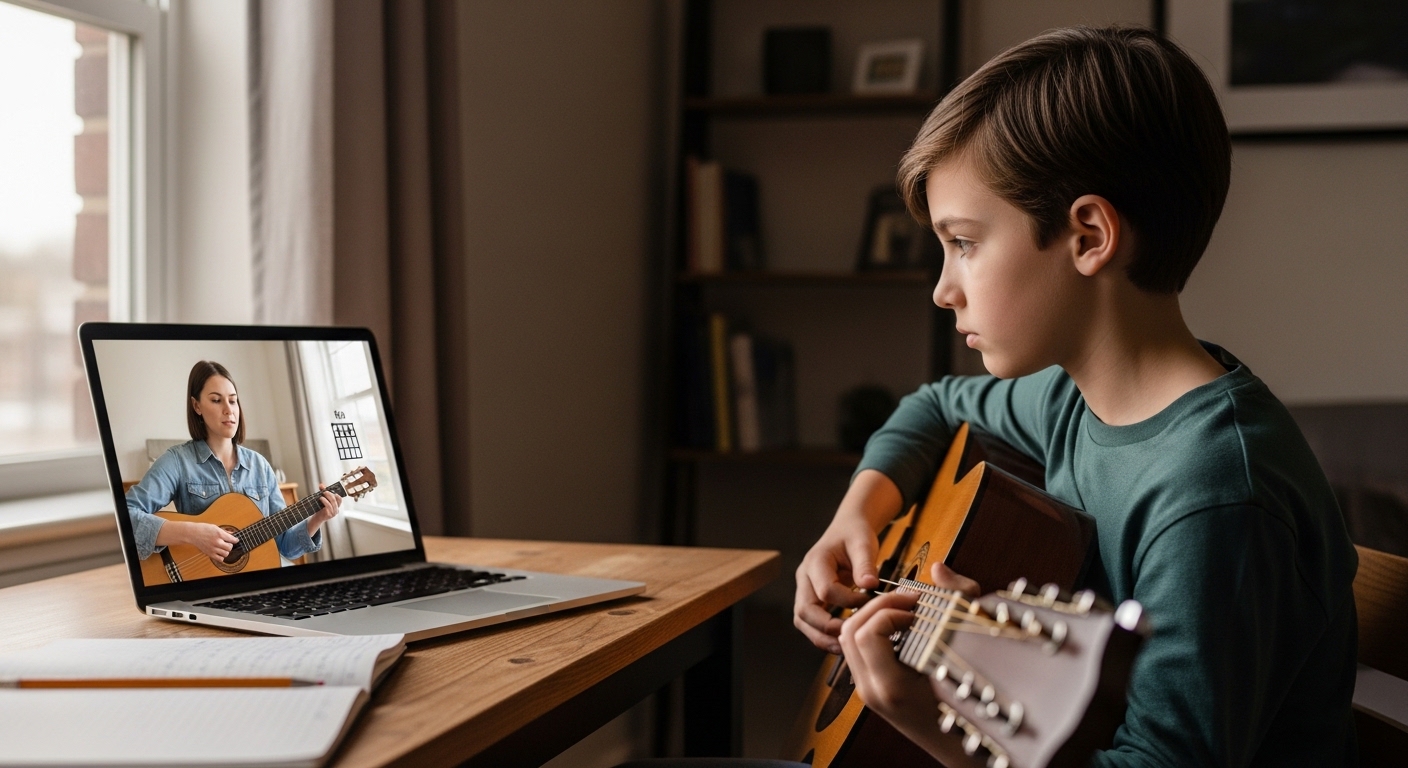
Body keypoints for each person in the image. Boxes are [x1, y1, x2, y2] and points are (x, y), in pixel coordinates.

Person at [793, 26, 1359, 767]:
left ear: (1089, 235)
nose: (942, 288)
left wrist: (925, 713)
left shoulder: (1214, 495)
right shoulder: (1072, 400)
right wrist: (857, 516)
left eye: (963, 242)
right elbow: (932, 407)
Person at [126, 360, 341, 565]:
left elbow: (285, 546)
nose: (229, 410)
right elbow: (127, 515)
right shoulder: (177, 461)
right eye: (216, 400)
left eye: (233, 400)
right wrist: (193, 533)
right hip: (205, 584)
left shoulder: (260, 466)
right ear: (197, 406)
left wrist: (317, 519)